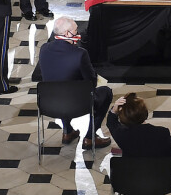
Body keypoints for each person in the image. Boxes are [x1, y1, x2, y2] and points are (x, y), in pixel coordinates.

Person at [33, 17, 112, 149]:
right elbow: (91, 83)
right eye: (76, 30)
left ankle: (67, 131)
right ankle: (90, 137)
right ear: (67, 34)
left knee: (61, 88)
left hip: (49, 103)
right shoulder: (80, 54)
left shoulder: (44, 49)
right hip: (78, 105)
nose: (78, 33)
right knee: (106, 93)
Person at [104, 93, 171, 195]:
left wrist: (114, 109)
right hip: (159, 182)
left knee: (141, 167)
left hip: (126, 183)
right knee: (152, 168)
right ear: (145, 113)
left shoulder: (121, 134)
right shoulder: (162, 133)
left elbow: (111, 122)